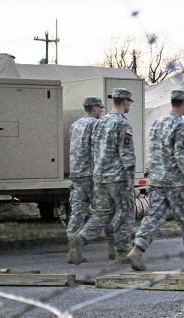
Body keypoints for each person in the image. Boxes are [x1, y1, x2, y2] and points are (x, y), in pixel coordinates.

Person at [127, 89, 184, 271]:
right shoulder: (180, 126)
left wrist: (150, 174)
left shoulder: (157, 123)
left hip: (157, 180)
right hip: (175, 182)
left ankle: (137, 250)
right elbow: (182, 156)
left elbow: (152, 151)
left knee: (154, 216)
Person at [67, 88, 136, 265]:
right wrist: (130, 176)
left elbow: (94, 149)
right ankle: (120, 251)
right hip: (115, 176)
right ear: (125, 102)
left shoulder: (96, 123)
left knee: (100, 212)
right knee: (125, 212)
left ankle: (79, 238)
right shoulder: (121, 123)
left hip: (93, 175)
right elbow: (126, 152)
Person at [66, 96, 105, 264]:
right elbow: (100, 149)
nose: (102, 111)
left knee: (77, 212)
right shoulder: (95, 125)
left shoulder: (75, 125)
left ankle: (73, 249)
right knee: (106, 209)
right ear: (95, 108)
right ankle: (116, 248)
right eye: (100, 108)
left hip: (76, 174)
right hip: (91, 174)